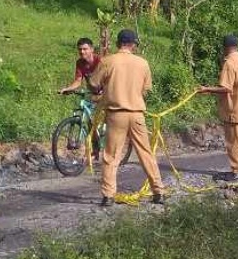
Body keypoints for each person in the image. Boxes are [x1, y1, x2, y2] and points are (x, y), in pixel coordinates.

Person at [89, 29, 165, 206]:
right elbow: (146, 90)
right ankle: (158, 192)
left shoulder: (108, 61)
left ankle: (108, 195)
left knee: (111, 156)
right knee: (145, 153)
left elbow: (93, 84)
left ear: (118, 43)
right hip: (137, 114)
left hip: (116, 114)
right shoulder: (143, 63)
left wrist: (103, 92)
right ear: (132, 45)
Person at [198, 35, 238, 181]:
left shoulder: (230, 63)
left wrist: (206, 89)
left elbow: (226, 88)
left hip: (233, 109)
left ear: (225, 48)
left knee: (233, 142)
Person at [59, 37, 101, 161]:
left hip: (106, 92)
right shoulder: (80, 63)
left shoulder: (100, 61)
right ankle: (95, 149)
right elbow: (78, 81)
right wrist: (68, 89)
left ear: (92, 50)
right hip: (93, 93)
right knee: (89, 122)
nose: (82, 52)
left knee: (107, 120)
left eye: (85, 49)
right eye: (80, 49)